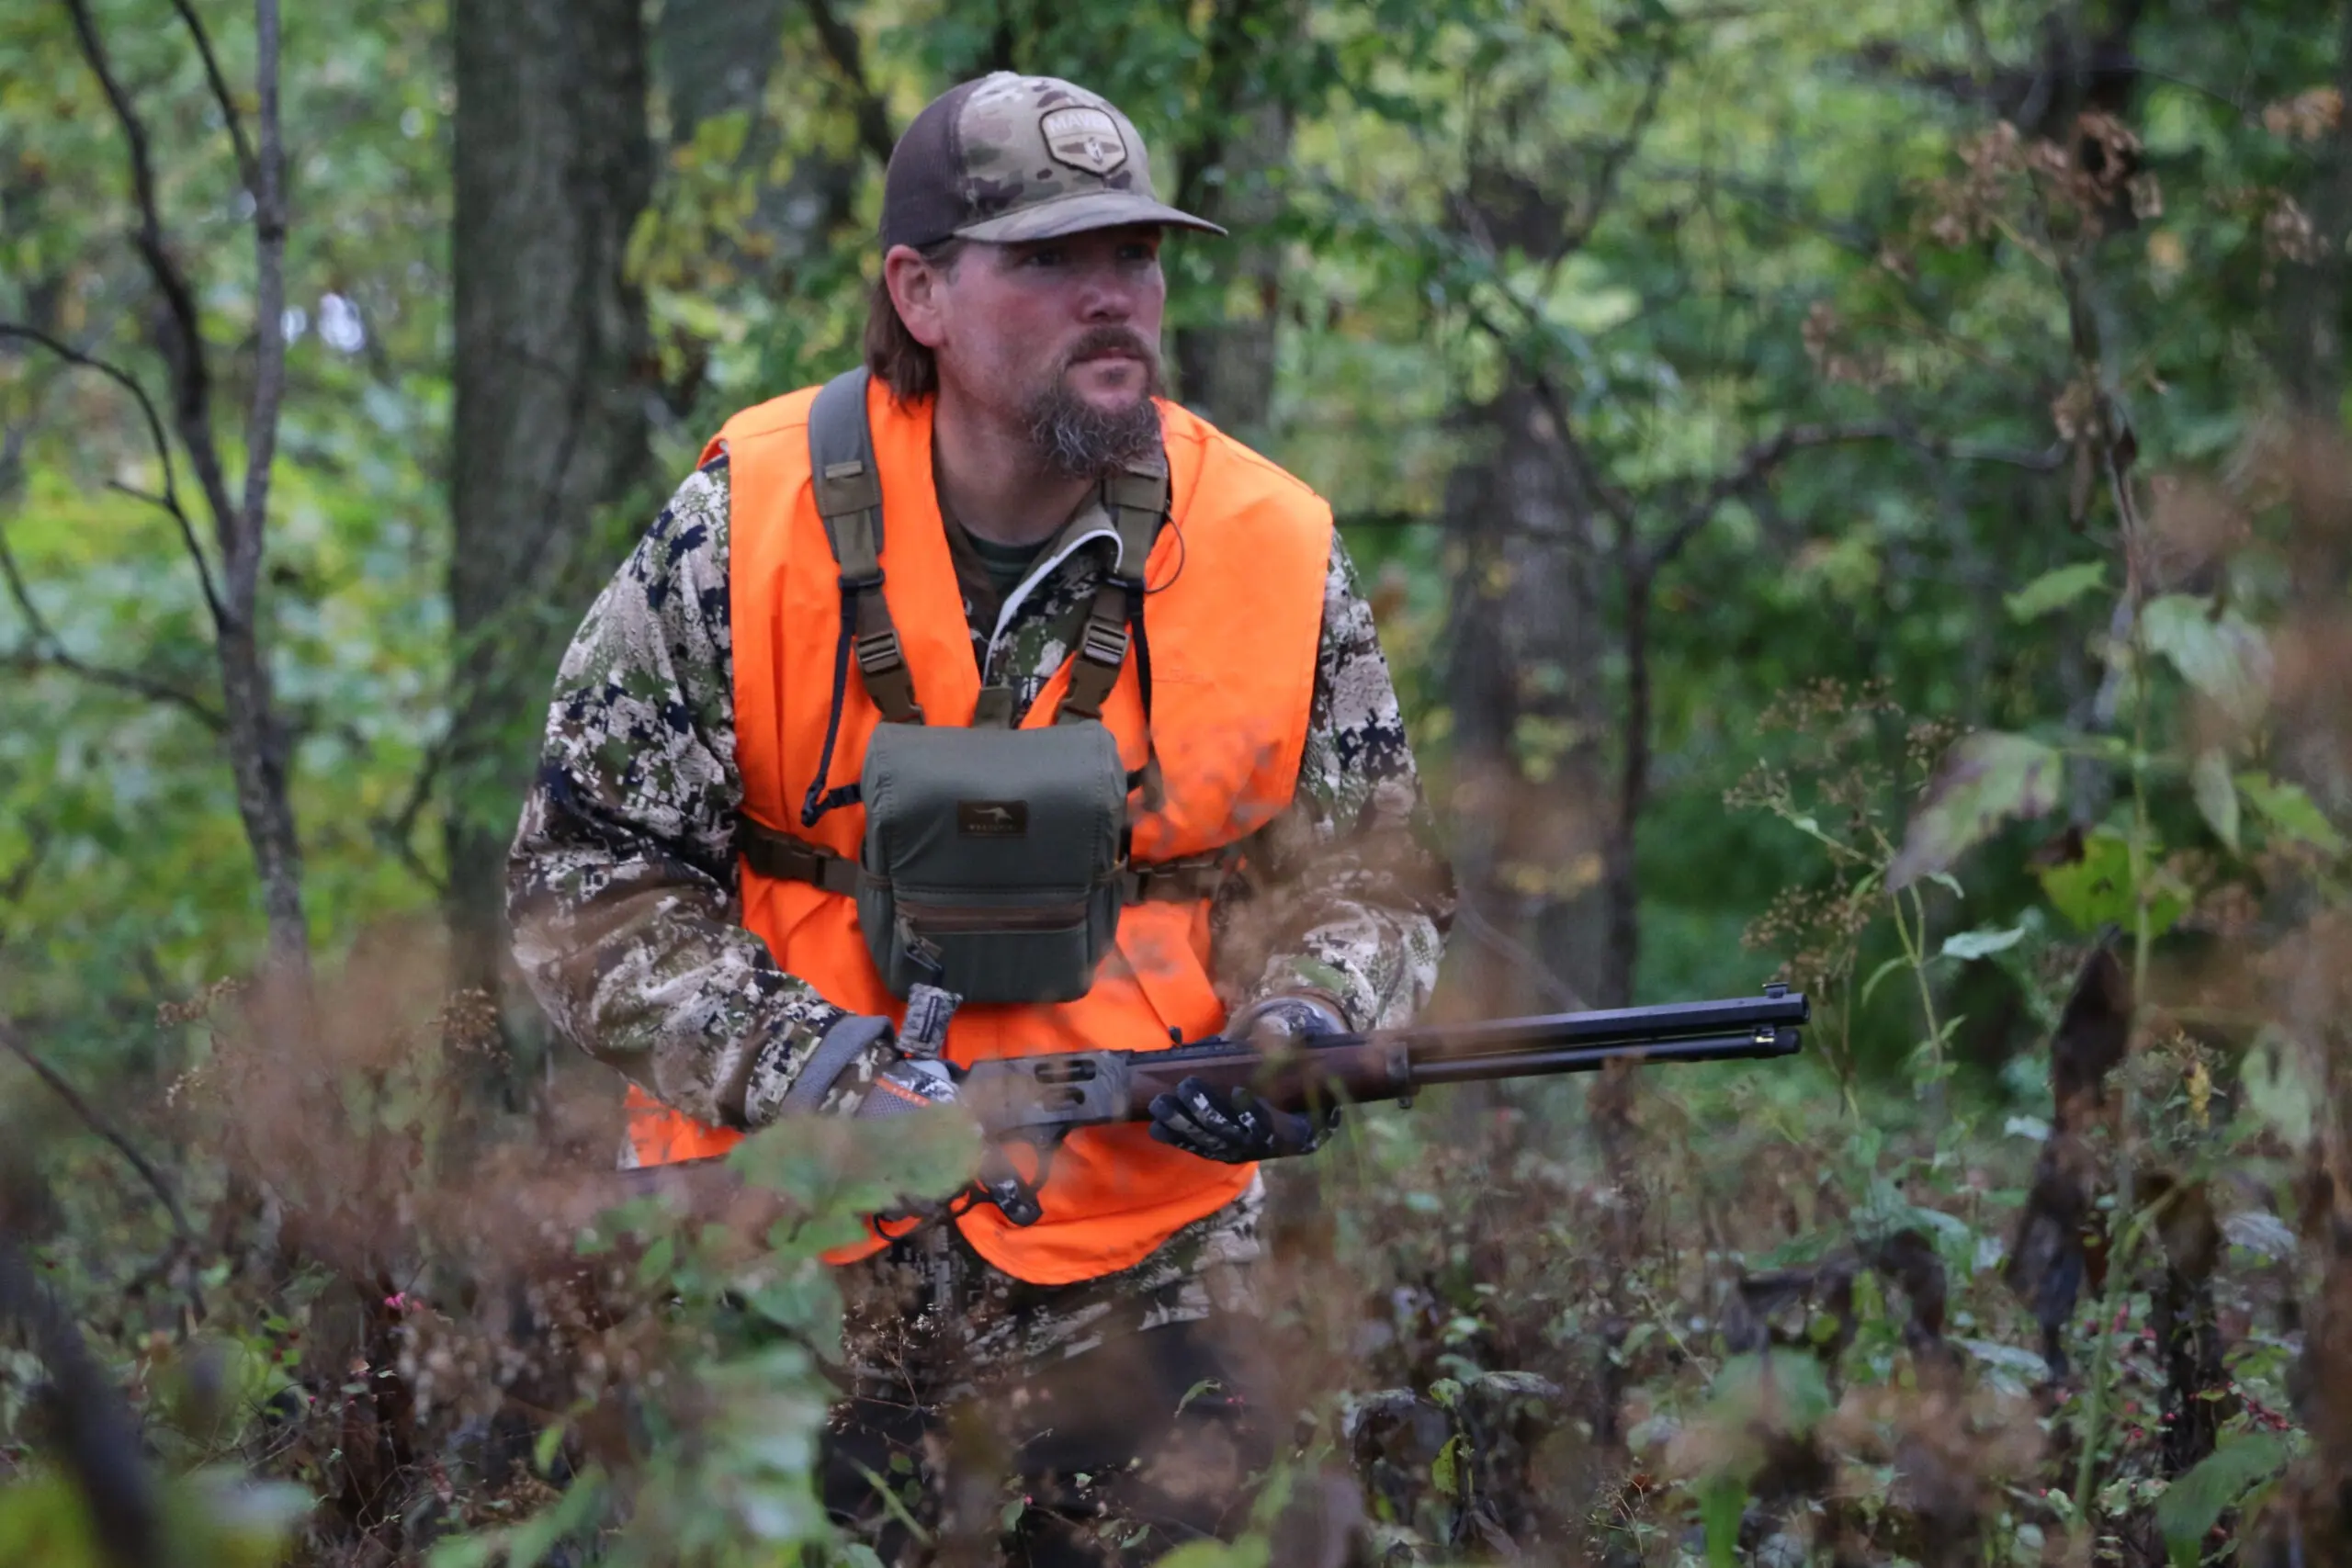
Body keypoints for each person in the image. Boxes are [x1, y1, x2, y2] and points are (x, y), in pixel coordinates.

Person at [507, 70, 1451, 1565]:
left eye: (1134, 255)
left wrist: (1308, 1011)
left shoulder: (1271, 541)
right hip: (784, 1264)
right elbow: (587, 882)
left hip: (1153, 1259)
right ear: (921, 290)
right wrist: (825, 1079)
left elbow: (1369, 876)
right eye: (1049, 259)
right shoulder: (744, 522)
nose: (1113, 298)